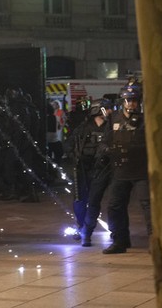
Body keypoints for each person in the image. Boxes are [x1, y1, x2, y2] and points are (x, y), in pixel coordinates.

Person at [101, 80, 151, 254]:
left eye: (134, 100)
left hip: (141, 170)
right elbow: (106, 140)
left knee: (148, 207)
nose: (131, 103)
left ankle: (155, 241)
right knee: (114, 206)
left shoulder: (147, 119)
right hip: (120, 170)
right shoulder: (114, 118)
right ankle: (120, 241)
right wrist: (107, 150)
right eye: (128, 100)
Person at [65, 101, 112, 246]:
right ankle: (82, 226)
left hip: (100, 169)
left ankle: (87, 230)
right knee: (79, 199)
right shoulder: (84, 127)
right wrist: (74, 156)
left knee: (94, 200)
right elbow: (69, 144)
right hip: (82, 168)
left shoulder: (109, 128)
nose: (110, 111)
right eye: (107, 109)